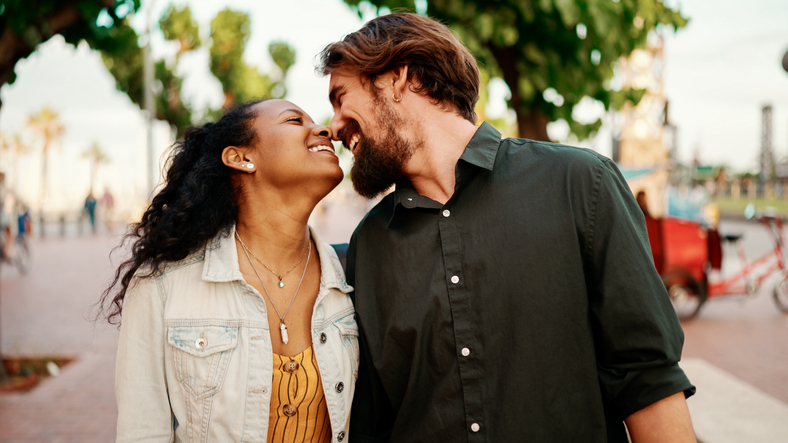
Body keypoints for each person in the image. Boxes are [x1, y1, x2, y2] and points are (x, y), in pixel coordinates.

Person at [318, 13, 696, 443]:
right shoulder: (370, 244)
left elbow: (648, 379)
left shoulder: (580, 185)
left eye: (340, 96)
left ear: (398, 77)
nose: (333, 126)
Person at [100, 100, 358, 442]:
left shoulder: (350, 277)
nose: (324, 128)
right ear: (240, 157)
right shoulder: (162, 284)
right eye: (295, 120)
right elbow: (142, 432)